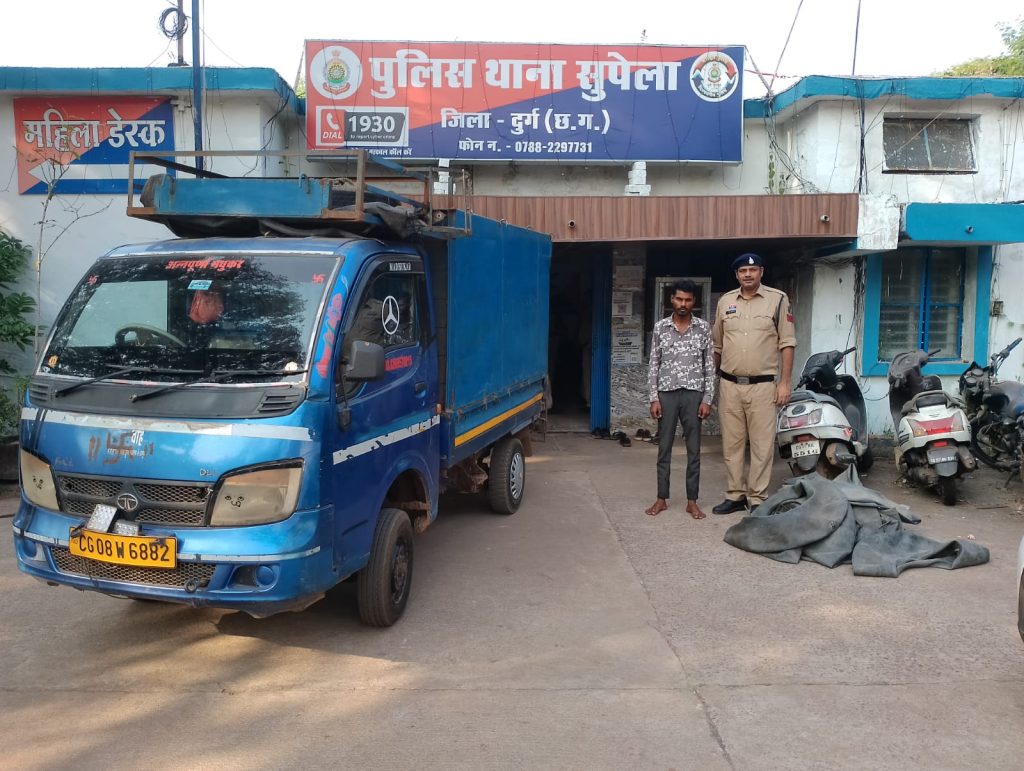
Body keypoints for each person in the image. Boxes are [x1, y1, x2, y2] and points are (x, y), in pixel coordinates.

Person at [711, 253, 796, 514]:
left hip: (763, 386)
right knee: (732, 444)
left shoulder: (778, 299)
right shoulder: (725, 302)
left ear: (761, 272)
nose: (747, 275)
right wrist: (711, 382)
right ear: (736, 275)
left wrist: (784, 383)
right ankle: (735, 495)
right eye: (742, 271)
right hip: (729, 385)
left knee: (761, 445)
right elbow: (717, 345)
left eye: (753, 270)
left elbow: (787, 343)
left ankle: (757, 498)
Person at [645, 280, 716, 520]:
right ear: (671, 300)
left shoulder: (703, 328)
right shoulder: (661, 328)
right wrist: (654, 398)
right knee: (663, 448)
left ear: (694, 301)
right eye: (679, 299)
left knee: (693, 450)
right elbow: (654, 364)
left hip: (694, 394)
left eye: (687, 300)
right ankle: (661, 498)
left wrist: (707, 399)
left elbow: (709, 366)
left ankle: (692, 501)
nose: (683, 304)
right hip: (666, 393)